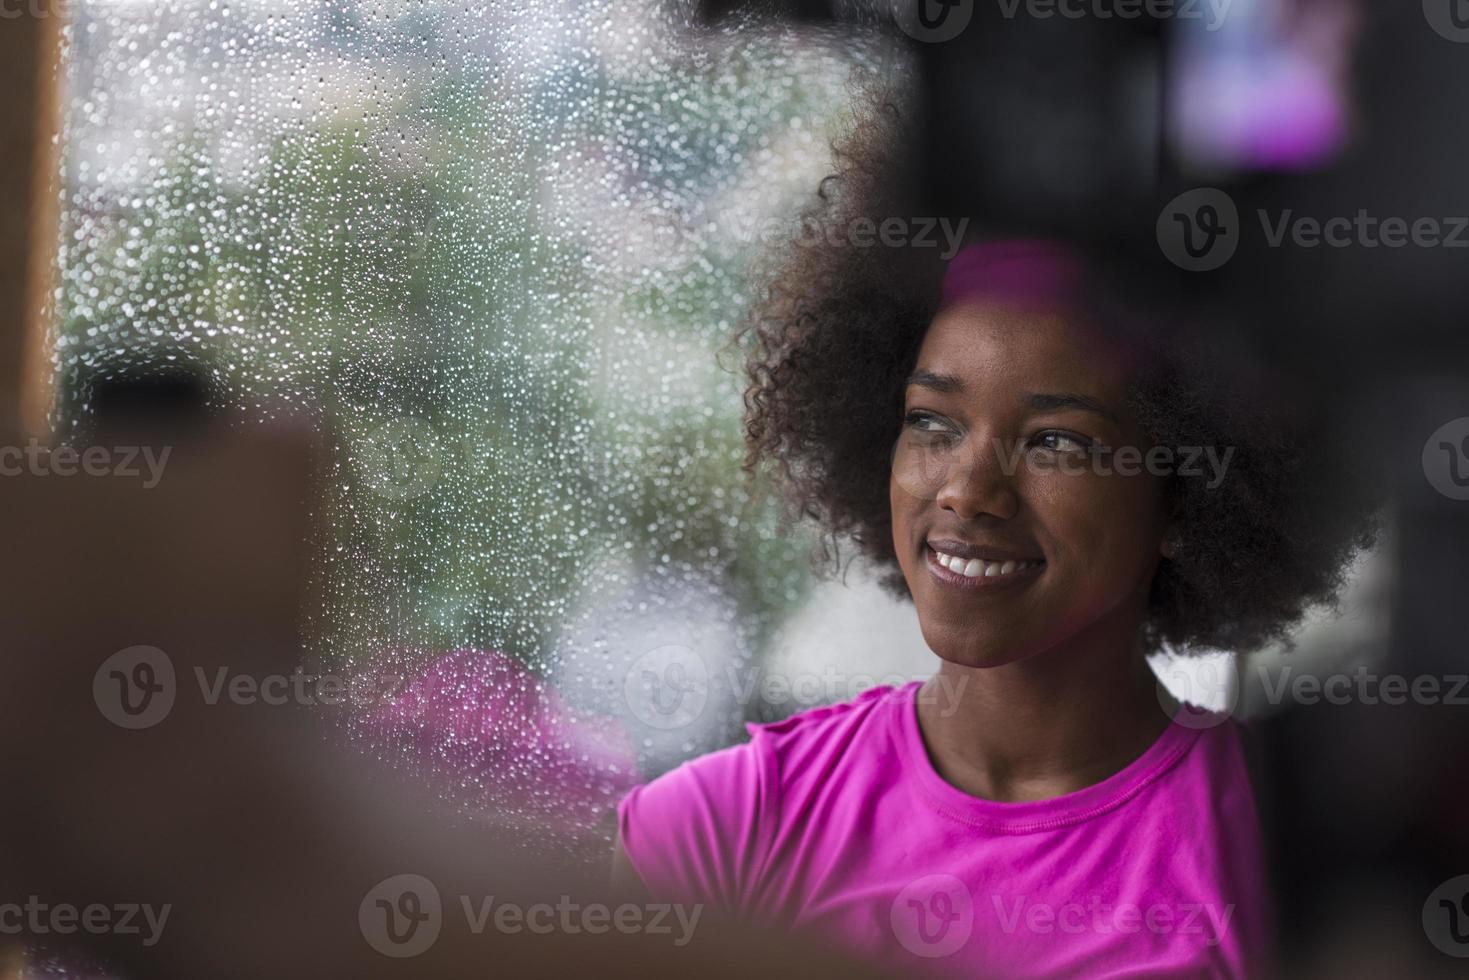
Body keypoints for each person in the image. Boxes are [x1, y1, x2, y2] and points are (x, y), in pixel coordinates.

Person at [611, 108, 1377, 979]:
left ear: (1184, 494)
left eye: (1055, 441)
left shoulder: (1275, 847)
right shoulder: (727, 831)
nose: (968, 490)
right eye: (932, 423)